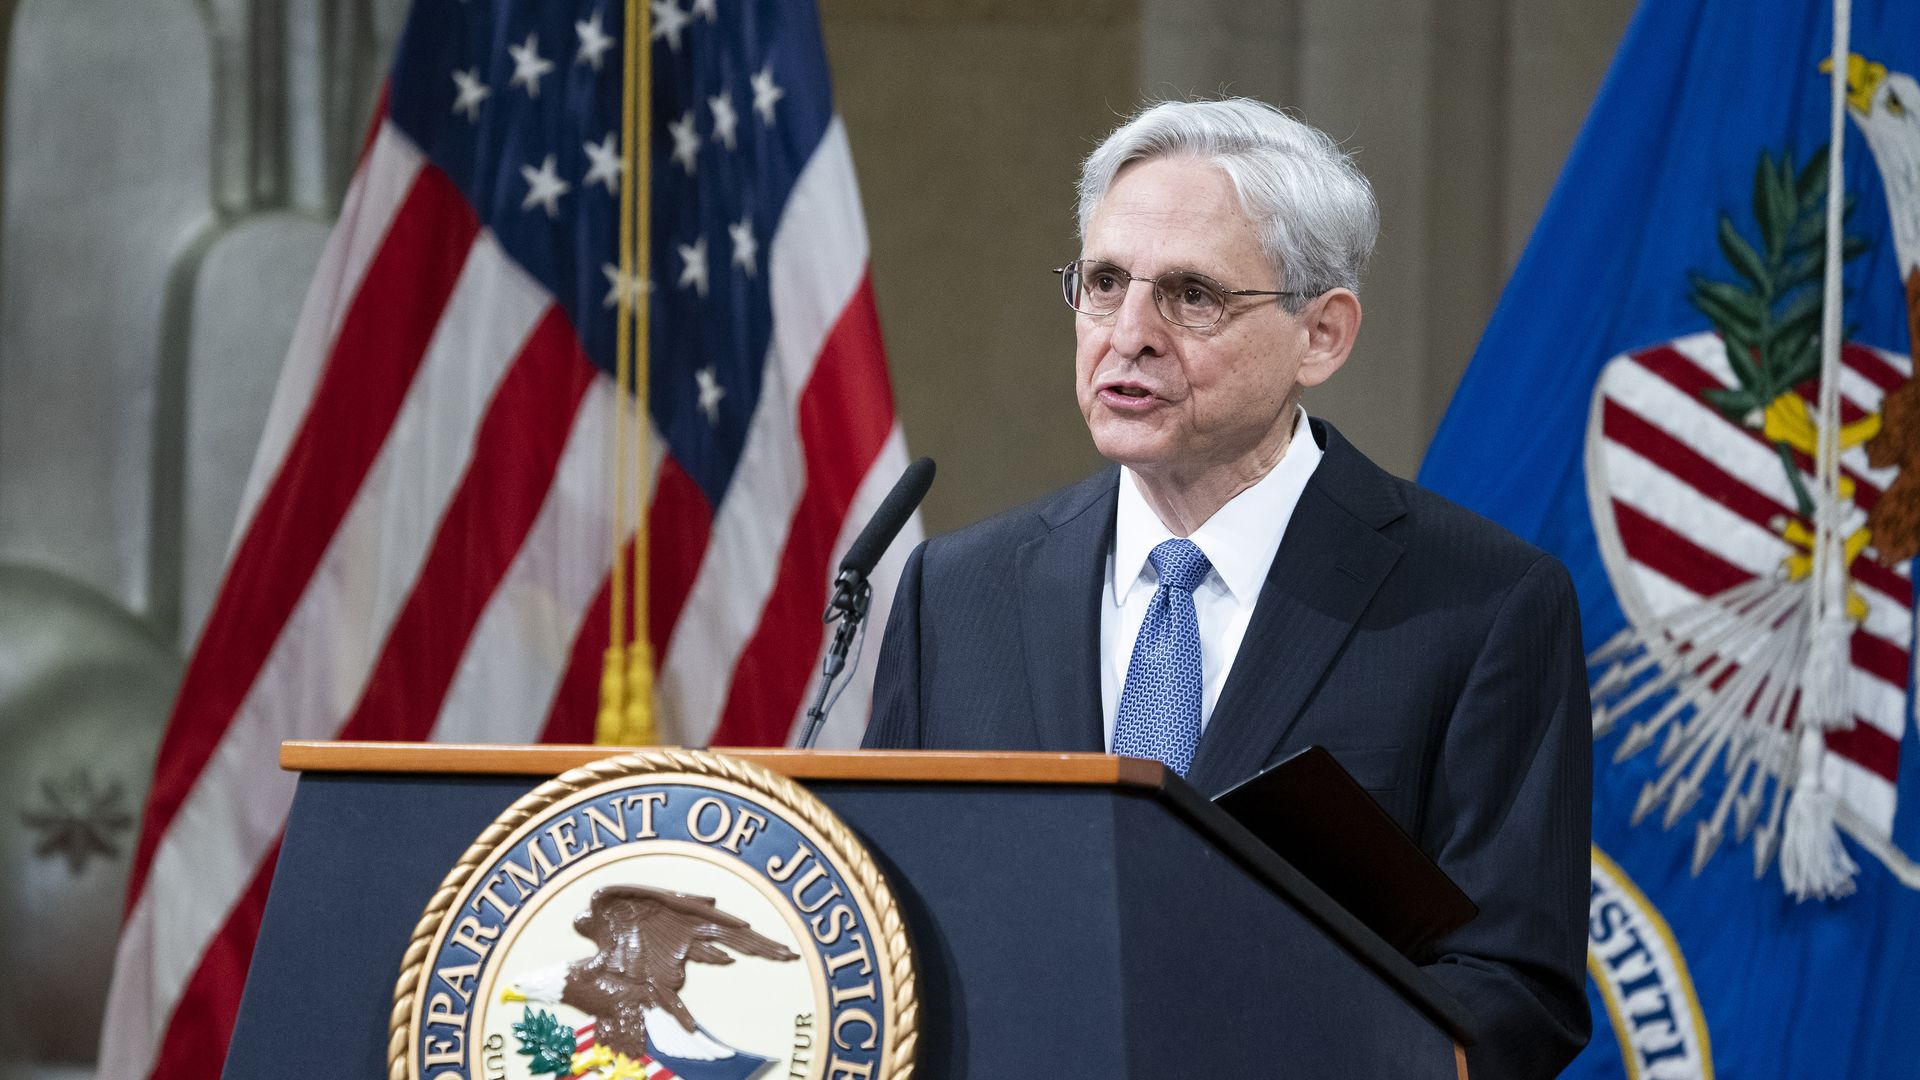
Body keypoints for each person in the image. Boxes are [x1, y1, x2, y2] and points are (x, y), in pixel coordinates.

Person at [861, 97, 1591, 1079]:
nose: (1129, 333)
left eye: (1192, 295)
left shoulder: (1479, 604)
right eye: (1106, 282)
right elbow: (890, 911)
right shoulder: (957, 591)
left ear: (1321, 335)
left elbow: (1512, 989)